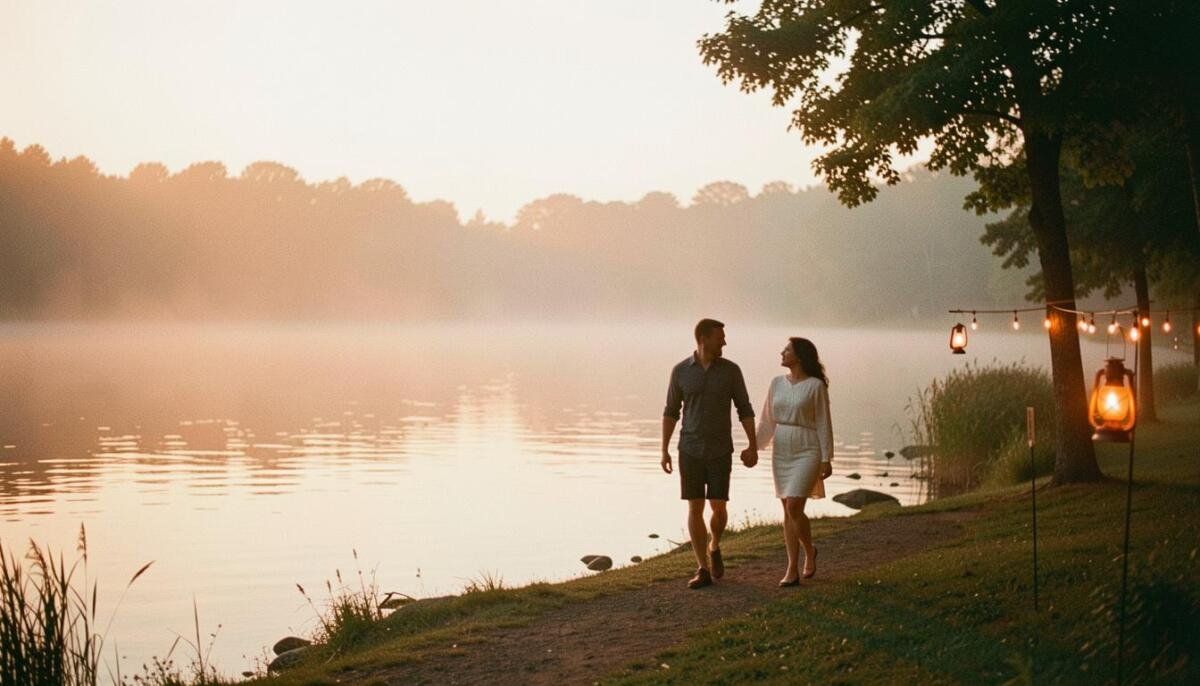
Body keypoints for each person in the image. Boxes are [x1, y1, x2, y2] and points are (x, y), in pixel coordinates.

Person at [662, 318, 758, 589]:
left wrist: (751, 445)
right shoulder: (680, 371)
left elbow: (745, 408)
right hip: (689, 448)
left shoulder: (731, 371)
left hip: (719, 450)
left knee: (718, 506)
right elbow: (670, 412)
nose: (724, 342)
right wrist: (664, 450)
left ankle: (715, 545)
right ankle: (702, 567)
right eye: (720, 338)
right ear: (704, 338)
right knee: (695, 506)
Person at [752, 337, 833, 587]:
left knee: (795, 507)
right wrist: (753, 447)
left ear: (799, 356)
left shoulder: (815, 386)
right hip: (783, 446)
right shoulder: (776, 383)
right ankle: (791, 568)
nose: (782, 352)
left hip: (807, 447)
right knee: (787, 509)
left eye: (786, 350)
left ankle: (809, 551)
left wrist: (826, 458)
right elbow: (767, 420)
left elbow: (823, 422)